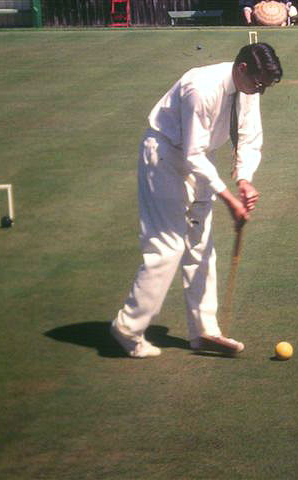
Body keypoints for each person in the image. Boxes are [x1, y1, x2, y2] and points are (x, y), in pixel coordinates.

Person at [110, 43, 283, 358]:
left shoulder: (248, 90)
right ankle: (128, 328)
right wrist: (228, 197)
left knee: (202, 248)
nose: (259, 92)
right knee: (168, 247)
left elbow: (249, 136)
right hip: (164, 156)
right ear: (242, 68)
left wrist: (244, 179)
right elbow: (191, 153)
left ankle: (204, 332)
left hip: (200, 160)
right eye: (258, 84)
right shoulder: (200, 88)